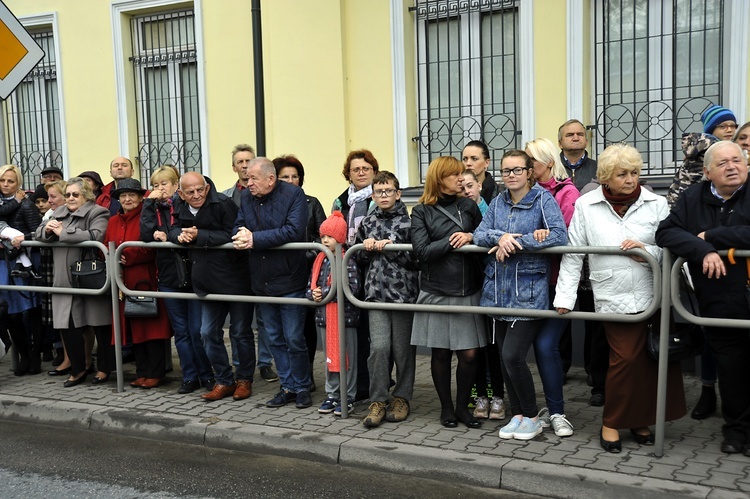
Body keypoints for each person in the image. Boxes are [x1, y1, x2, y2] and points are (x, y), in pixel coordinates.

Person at [554, 143, 686, 453]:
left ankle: (639, 421)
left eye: (635, 173)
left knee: (647, 363)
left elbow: (671, 247)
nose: (630, 179)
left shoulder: (656, 203)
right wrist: (565, 297)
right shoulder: (586, 205)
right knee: (624, 360)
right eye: (622, 174)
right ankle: (611, 422)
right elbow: (574, 256)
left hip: (652, 293)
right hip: (611, 295)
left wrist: (647, 252)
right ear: (605, 177)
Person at [656, 141, 750, 456]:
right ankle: (736, 432)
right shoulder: (692, 197)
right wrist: (703, 250)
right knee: (731, 369)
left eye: (737, 160)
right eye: (722, 163)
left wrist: (712, 237)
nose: (731, 167)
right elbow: (666, 232)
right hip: (720, 301)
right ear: (708, 172)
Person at [473, 150, 568, 441]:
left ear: (529, 172)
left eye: (517, 170)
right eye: (506, 171)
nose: (511, 175)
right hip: (498, 292)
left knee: (514, 355)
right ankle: (517, 414)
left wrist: (517, 243)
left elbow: (559, 235)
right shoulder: (499, 202)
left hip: (528, 292)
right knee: (504, 357)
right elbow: (479, 234)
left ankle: (531, 415)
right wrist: (499, 237)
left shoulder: (543, 200)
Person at [410, 156, 485, 429]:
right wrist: (453, 240)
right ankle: (446, 409)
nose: (461, 179)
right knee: (440, 353)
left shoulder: (468, 205)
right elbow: (421, 252)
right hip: (436, 290)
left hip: (469, 290)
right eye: (454, 175)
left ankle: (463, 407)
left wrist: (471, 236)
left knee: (469, 355)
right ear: (439, 179)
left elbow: (484, 234)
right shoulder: (421, 211)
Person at [233, 158, 311, 409]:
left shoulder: (294, 194)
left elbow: (293, 231)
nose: (249, 182)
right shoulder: (246, 197)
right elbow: (238, 225)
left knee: (294, 337)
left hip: (290, 279)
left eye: (254, 178)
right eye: (247, 178)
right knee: (274, 337)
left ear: (271, 178)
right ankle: (286, 386)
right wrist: (240, 236)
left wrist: (254, 239)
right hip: (261, 279)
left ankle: (302, 386)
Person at [170, 172, 255, 402]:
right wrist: (179, 236)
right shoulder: (179, 205)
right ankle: (224, 380)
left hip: (235, 279)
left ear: (207, 188)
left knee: (240, 333)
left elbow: (234, 232)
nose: (196, 195)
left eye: (200, 189)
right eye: (190, 192)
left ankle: (244, 379)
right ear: (181, 194)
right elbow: (173, 228)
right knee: (207, 333)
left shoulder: (224, 204)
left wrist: (200, 235)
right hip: (207, 282)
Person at [141, 166, 214, 394]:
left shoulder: (184, 204)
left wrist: (167, 234)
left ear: (176, 187)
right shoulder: (153, 207)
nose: (159, 189)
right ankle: (190, 376)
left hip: (193, 274)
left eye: (164, 184)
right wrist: (147, 205)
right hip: (168, 275)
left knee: (196, 330)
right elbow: (145, 233)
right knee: (181, 332)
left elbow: (183, 229)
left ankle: (207, 375)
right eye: (155, 185)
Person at [525, 138, 580, 437]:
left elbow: (566, 237)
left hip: (556, 283)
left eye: (531, 160)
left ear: (547, 162)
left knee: (546, 347)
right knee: (524, 349)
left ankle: (557, 411)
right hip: (527, 283)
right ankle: (532, 409)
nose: (527, 166)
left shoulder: (567, 192)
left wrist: (542, 237)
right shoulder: (524, 192)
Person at [36, 177, 114, 387]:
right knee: (67, 325)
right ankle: (78, 369)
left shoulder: (98, 212)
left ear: (86, 196)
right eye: (68, 194)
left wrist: (64, 232)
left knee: (99, 324)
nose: (70, 198)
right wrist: (48, 230)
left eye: (75, 194)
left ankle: (105, 368)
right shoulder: (59, 213)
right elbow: (39, 232)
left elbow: (96, 235)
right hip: (63, 278)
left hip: (89, 276)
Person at [356, 171, 419, 428]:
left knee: (402, 350)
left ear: (398, 193)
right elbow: (357, 257)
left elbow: (416, 260)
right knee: (379, 349)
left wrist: (390, 248)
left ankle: (402, 397)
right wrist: (366, 247)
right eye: (379, 192)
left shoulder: (409, 223)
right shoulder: (367, 223)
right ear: (372, 195)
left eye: (388, 191)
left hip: (402, 296)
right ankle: (378, 400)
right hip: (375, 296)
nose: (384, 196)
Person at [558, 118, 608, 407]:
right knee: (563, 314)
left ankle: (592, 369)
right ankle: (562, 366)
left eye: (580, 134)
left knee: (591, 316)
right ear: (561, 141)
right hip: (561, 254)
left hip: (591, 258)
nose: (576, 138)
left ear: (586, 141)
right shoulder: (555, 169)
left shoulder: (597, 169)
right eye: (570, 135)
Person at [105, 179, 172, 387]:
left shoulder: (148, 214)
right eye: (123, 196)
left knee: (151, 328)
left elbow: (151, 246)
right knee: (134, 328)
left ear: (141, 197)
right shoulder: (113, 221)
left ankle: (156, 372)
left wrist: (127, 256)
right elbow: (107, 244)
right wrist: (113, 257)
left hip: (146, 277)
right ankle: (142, 372)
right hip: (123, 280)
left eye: (131, 195)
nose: (127, 199)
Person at [222, 144, 278, 384]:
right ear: (234, 167)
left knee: (265, 319)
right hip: (237, 267)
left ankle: (265, 362)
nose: (244, 166)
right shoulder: (225, 196)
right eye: (240, 162)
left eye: (249, 161)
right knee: (239, 322)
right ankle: (240, 366)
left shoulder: (270, 193)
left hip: (263, 262)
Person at [274, 154, 326, 391]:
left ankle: (306, 375)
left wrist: (302, 255)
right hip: (278, 275)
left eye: (295, 176)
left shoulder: (311, 203)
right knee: (281, 331)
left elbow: (322, 236)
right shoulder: (270, 204)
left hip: (307, 272)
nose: (291, 180)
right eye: (285, 176)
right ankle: (289, 380)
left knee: (304, 329)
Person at [332, 149, 379, 401]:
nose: (361, 172)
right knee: (356, 331)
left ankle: (378, 381)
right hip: (349, 271)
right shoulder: (341, 200)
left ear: (373, 170)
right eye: (355, 169)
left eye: (366, 168)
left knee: (376, 333)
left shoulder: (379, 195)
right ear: (348, 174)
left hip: (373, 269)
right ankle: (359, 384)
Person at [462, 168, 506, 421]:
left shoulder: (492, 210)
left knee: (492, 345)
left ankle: (497, 396)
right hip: (469, 284)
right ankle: (479, 396)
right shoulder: (459, 211)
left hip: (492, 284)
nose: (467, 191)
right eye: (462, 187)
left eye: (471, 185)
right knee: (475, 345)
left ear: (480, 185)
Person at [308, 211, 360, 415]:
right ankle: (332, 394)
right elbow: (310, 286)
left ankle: (349, 395)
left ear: (339, 238)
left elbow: (352, 288)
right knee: (330, 357)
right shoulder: (319, 261)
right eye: (323, 237)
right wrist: (315, 294)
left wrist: (329, 294)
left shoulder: (347, 259)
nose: (325, 240)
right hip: (324, 319)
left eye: (329, 236)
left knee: (348, 359)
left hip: (345, 319)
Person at [0, 165, 43, 375]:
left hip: (25, 262)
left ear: (18, 184)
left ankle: (35, 356)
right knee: (11, 314)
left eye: (11, 181)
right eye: (2, 181)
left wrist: (21, 241)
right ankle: (24, 355)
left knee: (33, 310)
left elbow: (38, 233)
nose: (6, 185)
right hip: (2, 264)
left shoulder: (26, 204)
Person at [40, 180, 71, 374]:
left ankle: (74, 358)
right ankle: (66, 355)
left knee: (72, 318)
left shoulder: (67, 215)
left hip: (64, 268)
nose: (49, 200)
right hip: (50, 267)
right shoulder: (49, 215)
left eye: (53, 196)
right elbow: (38, 234)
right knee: (59, 316)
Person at [461, 140, 499, 204]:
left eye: (474, 159)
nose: (468, 163)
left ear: (486, 163)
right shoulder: (457, 191)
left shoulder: (500, 193)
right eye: (465, 159)